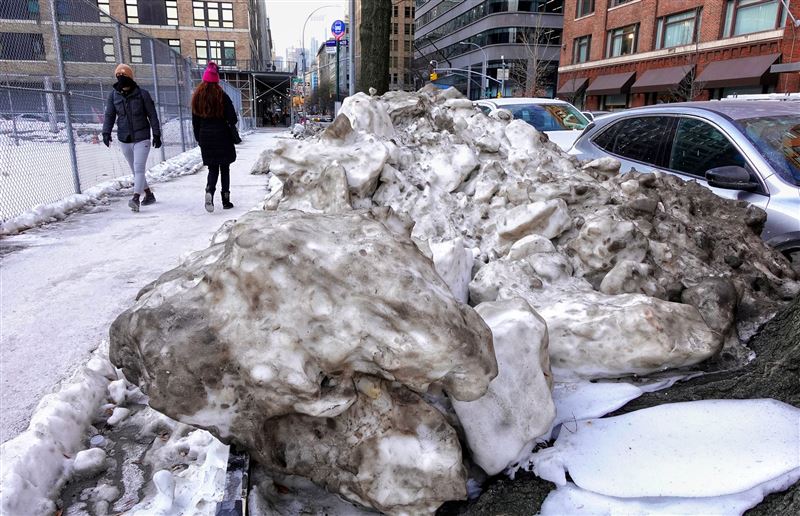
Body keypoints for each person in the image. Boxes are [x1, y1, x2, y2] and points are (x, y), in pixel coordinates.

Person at [102, 63, 161, 212]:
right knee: (135, 170)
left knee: (139, 168)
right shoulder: (113, 96)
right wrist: (106, 132)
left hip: (142, 136)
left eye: (124, 76)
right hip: (124, 137)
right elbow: (110, 115)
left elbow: (152, 115)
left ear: (130, 77)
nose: (121, 79)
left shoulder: (142, 94)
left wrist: (156, 133)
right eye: (118, 76)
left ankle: (135, 198)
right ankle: (148, 194)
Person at [191, 62, 238, 212]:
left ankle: (209, 191)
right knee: (225, 168)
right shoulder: (222, 96)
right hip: (222, 136)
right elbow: (232, 118)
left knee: (212, 169)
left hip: (205, 136)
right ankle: (226, 200)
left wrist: (199, 138)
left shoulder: (197, 97)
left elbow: (195, 121)